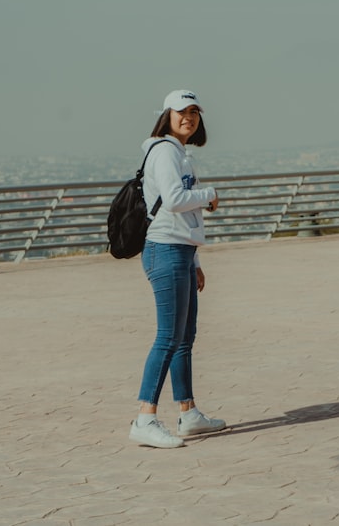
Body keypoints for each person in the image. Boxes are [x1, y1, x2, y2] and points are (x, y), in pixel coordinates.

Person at [129, 89, 226, 448]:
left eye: (195, 112)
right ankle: (145, 418)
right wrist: (210, 194)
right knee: (168, 338)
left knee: (185, 338)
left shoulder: (180, 153)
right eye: (182, 111)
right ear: (167, 115)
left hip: (181, 252)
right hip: (165, 250)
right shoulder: (165, 151)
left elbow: (184, 214)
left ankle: (189, 414)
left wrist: (196, 261)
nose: (189, 117)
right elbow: (174, 201)